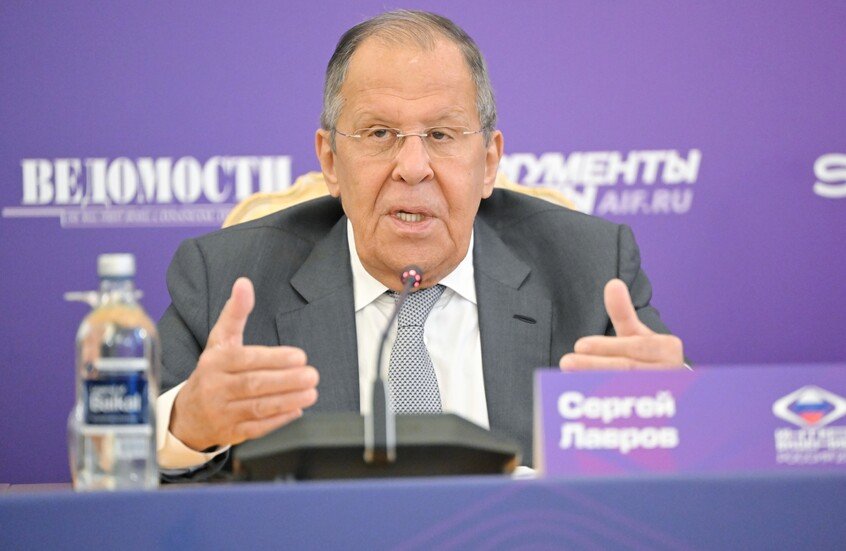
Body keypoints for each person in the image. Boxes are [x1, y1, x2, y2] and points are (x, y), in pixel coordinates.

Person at [156, 10, 684, 476]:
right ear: (331, 161)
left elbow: (686, 460)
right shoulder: (227, 278)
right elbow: (127, 465)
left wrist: (674, 407)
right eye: (379, 134)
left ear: (489, 163)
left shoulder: (591, 271)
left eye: (441, 135)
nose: (412, 168)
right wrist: (187, 427)